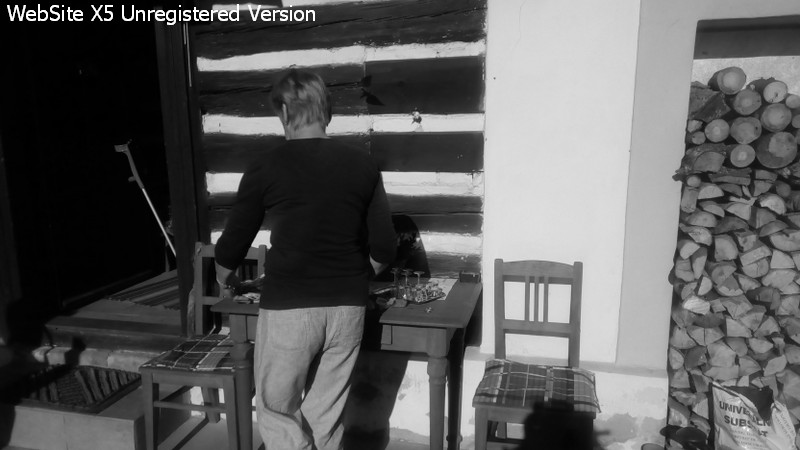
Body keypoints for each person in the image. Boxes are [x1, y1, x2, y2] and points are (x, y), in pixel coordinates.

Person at [213, 69, 396, 450]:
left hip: (289, 308)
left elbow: (230, 250)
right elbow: (384, 249)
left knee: (278, 411)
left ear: (283, 111)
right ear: (325, 110)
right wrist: (353, 276)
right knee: (325, 416)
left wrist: (225, 278)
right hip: (348, 308)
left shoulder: (266, 165)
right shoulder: (362, 164)